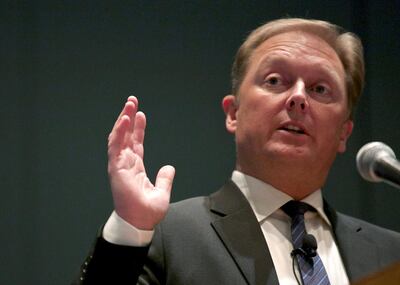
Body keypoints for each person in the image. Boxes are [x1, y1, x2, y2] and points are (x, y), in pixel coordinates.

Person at [73, 18, 400, 285]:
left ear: (344, 132)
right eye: (275, 80)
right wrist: (130, 228)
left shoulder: (391, 253)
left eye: (320, 89)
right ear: (233, 113)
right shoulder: (165, 236)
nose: (298, 98)